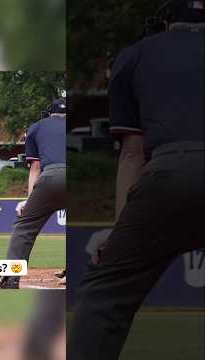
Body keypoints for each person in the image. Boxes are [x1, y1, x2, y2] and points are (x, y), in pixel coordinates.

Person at [68, 1, 205, 359]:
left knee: (104, 293)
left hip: (168, 174)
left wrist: (118, 226)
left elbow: (132, 152)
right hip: (172, 170)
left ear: (165, 22)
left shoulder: (137, 55)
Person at [0, 98, 66, 289]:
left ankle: (11, 277)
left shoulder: (37, 127)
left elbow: (35, 167)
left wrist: (28, 202)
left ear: (50, 114)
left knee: (25, 227)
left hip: (51, 176)